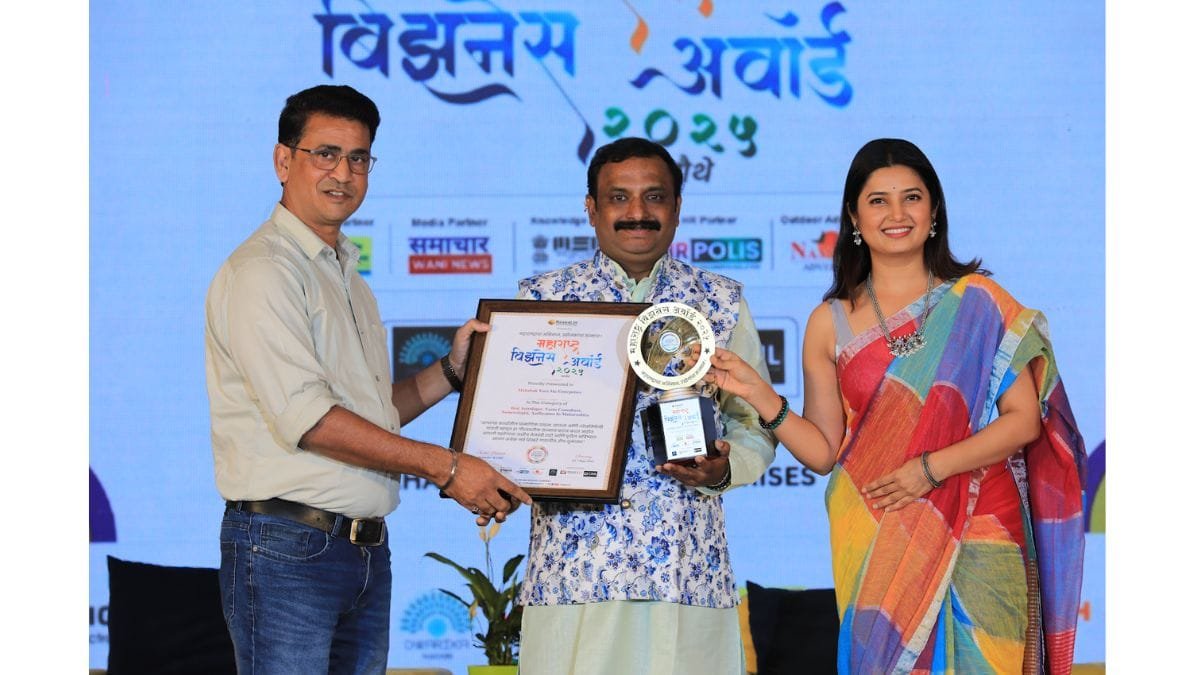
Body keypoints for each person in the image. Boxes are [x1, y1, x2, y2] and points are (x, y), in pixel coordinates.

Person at [701, 138, 1086, 674]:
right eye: (878, 200)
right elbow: (823, 452)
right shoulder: (829, 321)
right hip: (878, 532)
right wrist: (758, 393)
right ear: (854, 218)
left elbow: (1023, 422)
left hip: (980, 529)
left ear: (934, 211)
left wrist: (930, 470)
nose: (897, 213)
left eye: (912, 197)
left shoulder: (980, 302)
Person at [204, 84, 530, 674]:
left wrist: (451, 372)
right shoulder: (265, 271)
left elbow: (372, 414)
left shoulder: (346, 276)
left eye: (358, 158)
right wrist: (448, 468)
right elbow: (312, 420)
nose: (343, 173)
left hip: (361, 551)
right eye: (325, 154)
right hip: (287, 548)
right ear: (283, 161)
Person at [513, 137, 777, 675]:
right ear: (591, 208)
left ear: (677, 207)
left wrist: (724, 468)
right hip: (574, 570)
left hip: (686, 566)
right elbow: (514, 421)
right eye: (619, 197)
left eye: (654, 197)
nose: (638, 212)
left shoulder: (721, 300)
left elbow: (753, 422)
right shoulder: (540, 301)